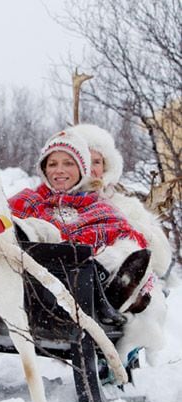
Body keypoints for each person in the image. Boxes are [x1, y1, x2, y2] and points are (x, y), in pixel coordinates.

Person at [8, 131, 157, 329]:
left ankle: (111, 289)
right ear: (44, 170)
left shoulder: (99, 207)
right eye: (52, 164)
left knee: (121, 249)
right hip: (25, 291)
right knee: (35, 229)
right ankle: (30, 234)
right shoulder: (29, 200)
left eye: (68, 163)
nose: (59, 170)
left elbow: (129, 236)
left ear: (81, 169)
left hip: (79, 298)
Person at [61, 124, 172, 366]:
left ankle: (115, 293)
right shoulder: (53, 202)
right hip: (62, 291)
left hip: (102, 288)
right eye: (84, 160)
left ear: (107, 167)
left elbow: (160, 259)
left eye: (97, 161)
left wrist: (134, 235)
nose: (91, 168)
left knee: (122, 255)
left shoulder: (124, 205)